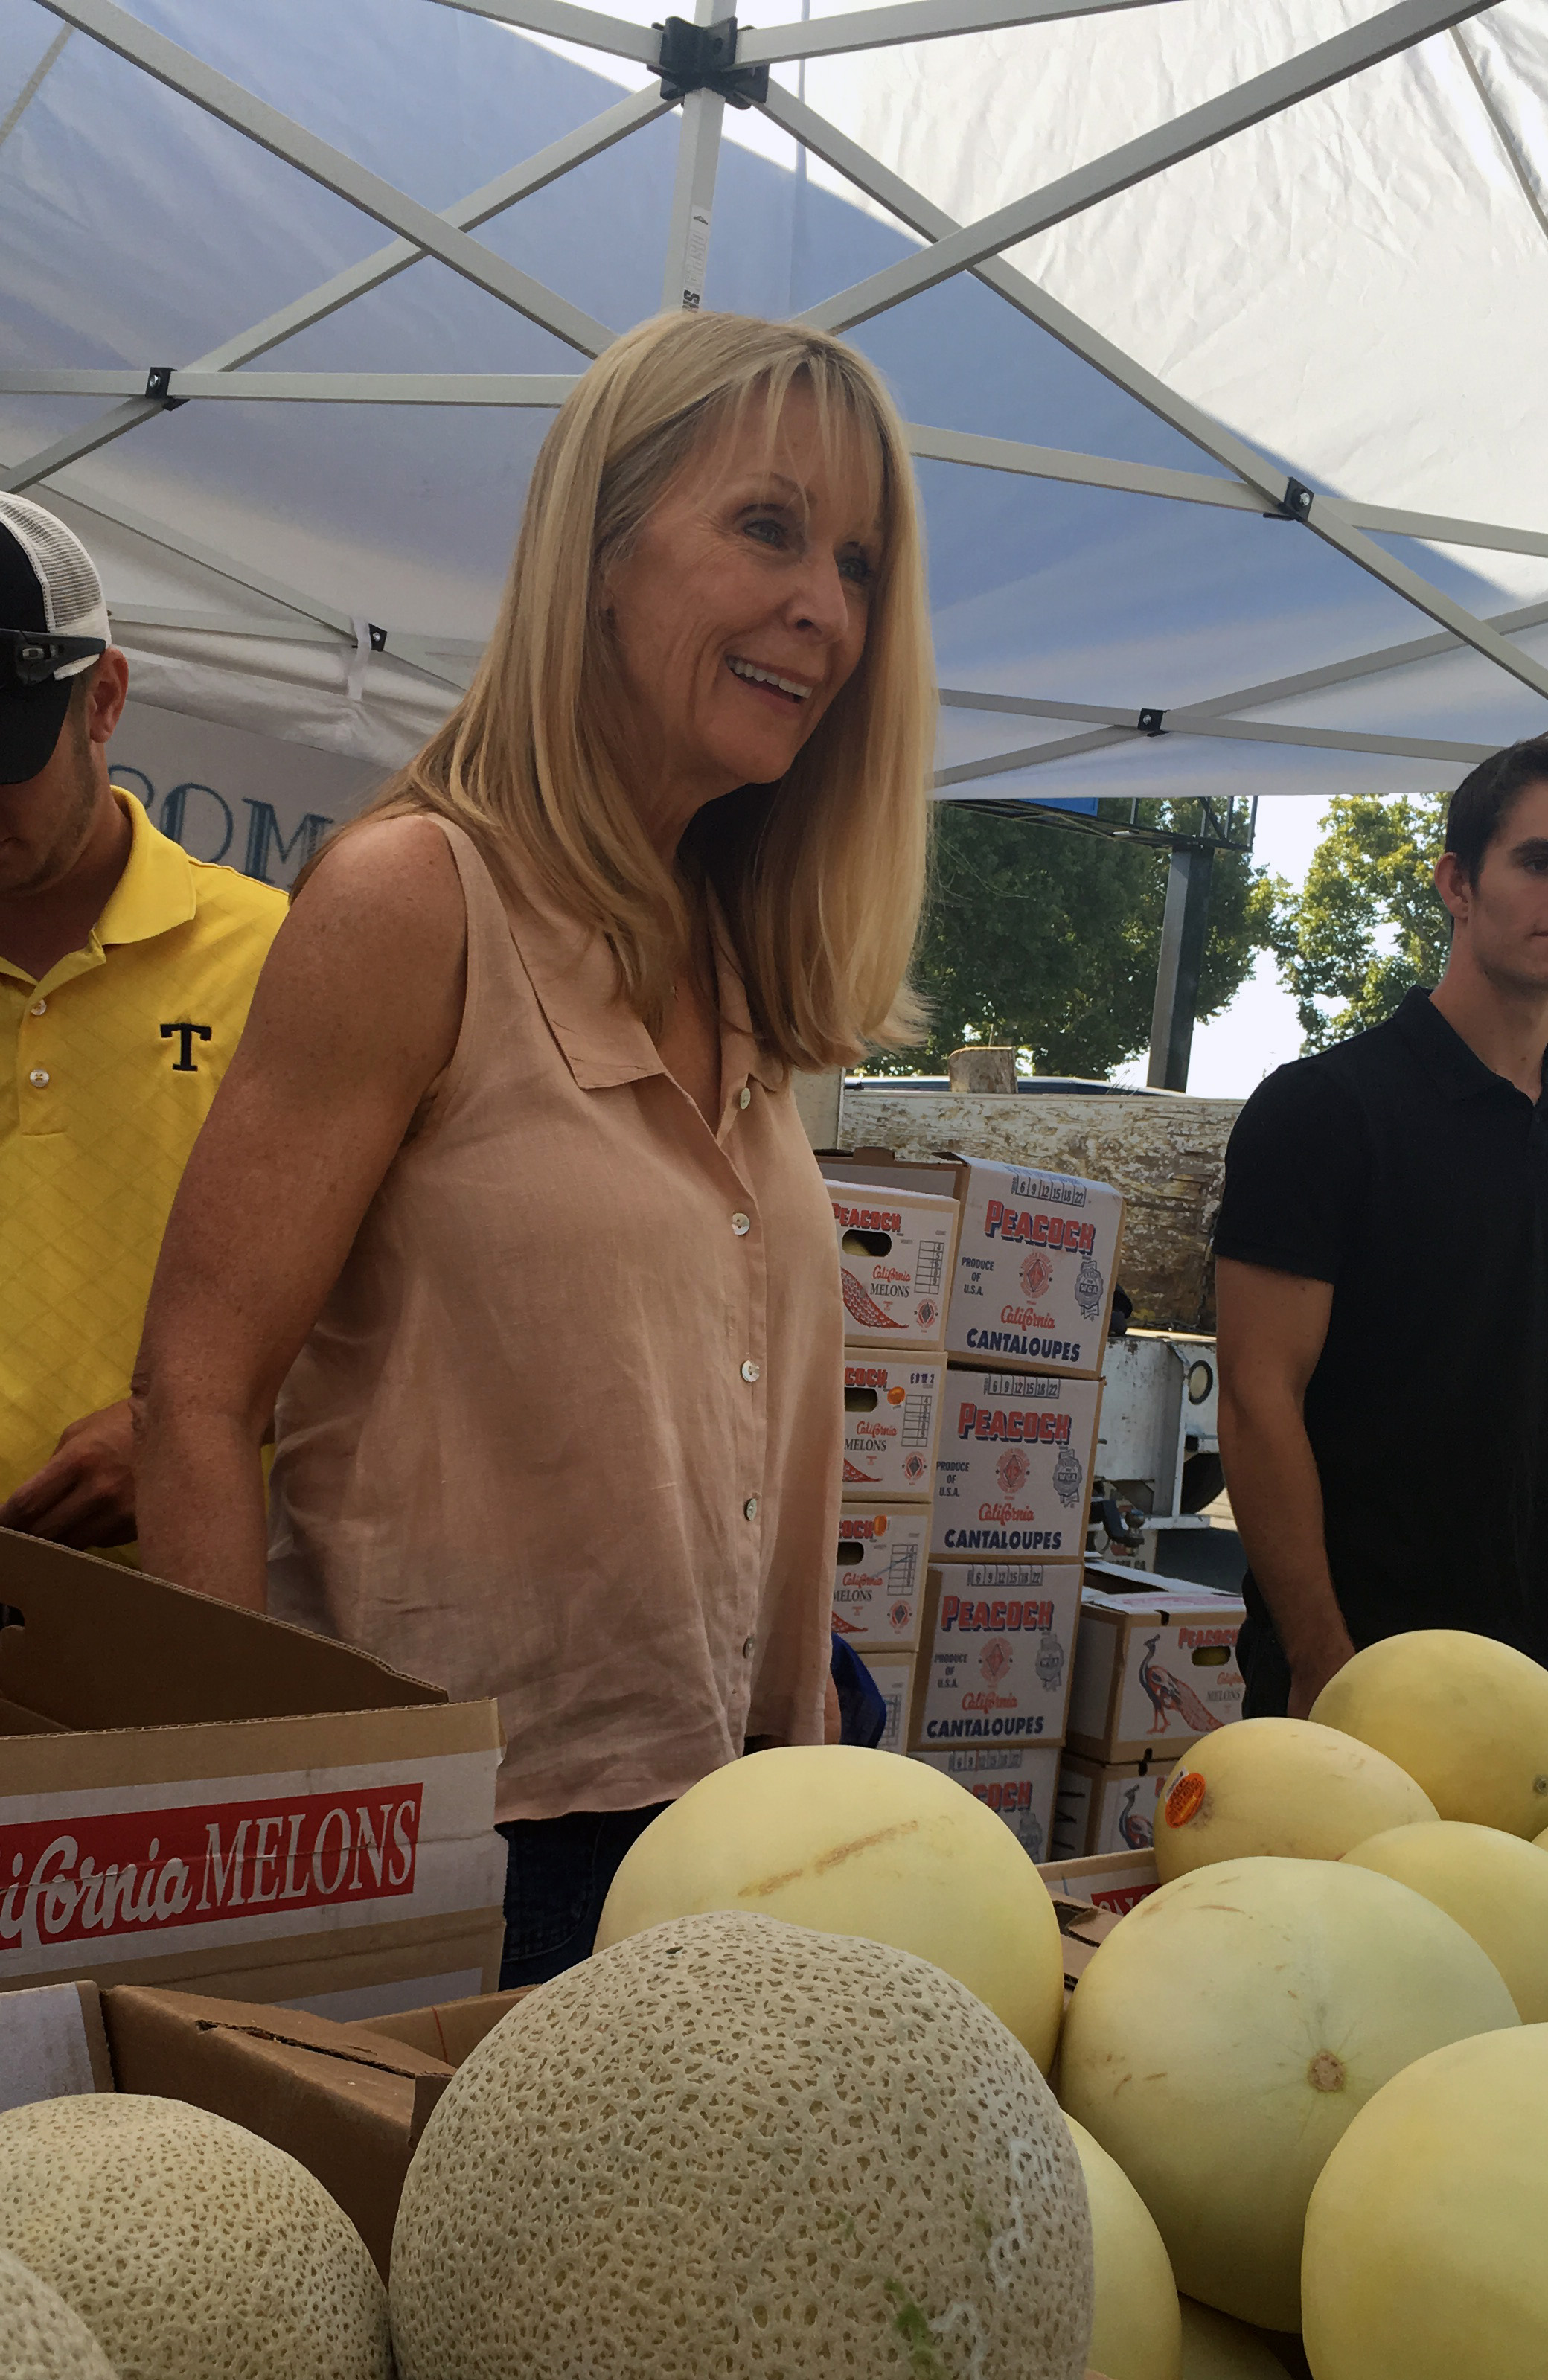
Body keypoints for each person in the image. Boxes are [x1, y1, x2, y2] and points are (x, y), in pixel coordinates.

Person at [133, 313, 935, 1980]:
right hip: (472, 1856)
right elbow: (197, 1397)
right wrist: (251, 1867)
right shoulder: (417, 898)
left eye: (856, 562)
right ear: (600, 553)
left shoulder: (738, 952)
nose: (826, 608)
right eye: (768, 528)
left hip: (750, 1810)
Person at [1215, 730, 1548, 1720]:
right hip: (1361, 1669)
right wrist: (1321, 1659)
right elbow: (1258, 1396)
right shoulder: (1324, 1109)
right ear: (1457, 884)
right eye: (1542, 861)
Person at [0, 496, 285, 1557]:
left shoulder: (277, 962)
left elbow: (401, 1304)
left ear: (103, 700)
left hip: (177, 1626)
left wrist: (198, 1418)